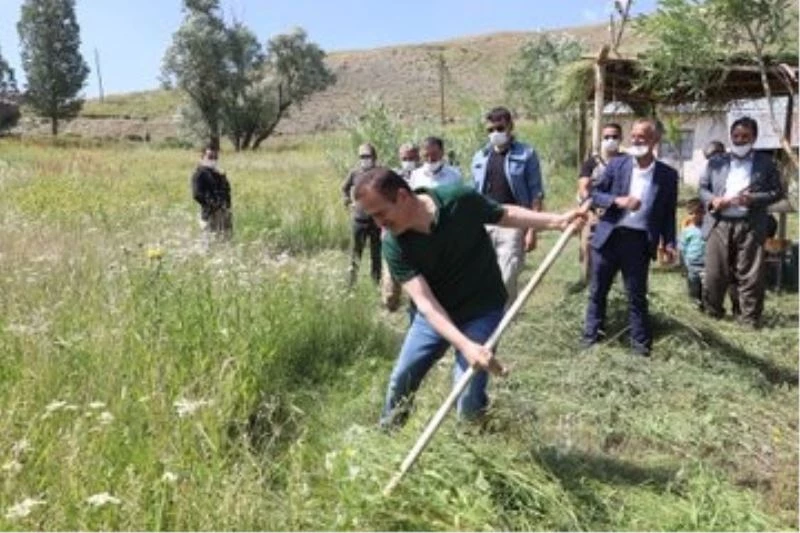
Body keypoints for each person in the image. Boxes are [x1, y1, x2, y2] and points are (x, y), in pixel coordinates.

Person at [352, 168, 583, 428]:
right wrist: (465, 344)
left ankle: (470, 445)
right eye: (372, 217)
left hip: (481, 309)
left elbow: (504, 214)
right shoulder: (394, 245)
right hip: (433, 317)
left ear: (403, 196)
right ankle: (388, 436)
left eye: (380, 213)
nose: (378, 223)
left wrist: (557, 221)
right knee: (401, 379)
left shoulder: (458, 200)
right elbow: (426, 304)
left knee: (468, 391)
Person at [582, 118, 679, 357]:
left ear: (655, 140)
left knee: (636, 296)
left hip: (638, 242)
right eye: (633, 136)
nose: (635, 140)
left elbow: (668, 213)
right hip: (609, 237)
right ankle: (590, 341)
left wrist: (668, 243)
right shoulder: (617, 165)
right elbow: (593, 194)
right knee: (597, 292)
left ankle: (640, 348)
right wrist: (617, 200)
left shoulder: (667, 175)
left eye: (642, 137)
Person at [699, 116, 783, 328]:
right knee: (715, 272)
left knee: (750, 274)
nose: (740, 140)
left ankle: (748, 319)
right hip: (719, 222)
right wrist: (714, 200)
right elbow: (702, 189)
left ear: (754, 138)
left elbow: (776, 191)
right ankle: (712, 313)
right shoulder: (716, 162)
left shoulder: (767, 163)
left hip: (750, 223)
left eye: (745, 136)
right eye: (736, 136)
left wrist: (753, 199)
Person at [472, 106, 544, 304]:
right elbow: (474, 192)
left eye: (500, 128)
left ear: (510, 127)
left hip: (513, 222)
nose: (495, 133)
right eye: (491, 130)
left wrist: (532, 230)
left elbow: (536, 193)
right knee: (482, 275)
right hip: (485, 222)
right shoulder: (480, 157)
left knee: (508, 275)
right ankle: (486, 315)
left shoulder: (526, 154)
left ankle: (504, 319)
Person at [574, 122, 625, 289]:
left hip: (619, 216)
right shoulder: (591, 163)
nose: (610, 140)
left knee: (616, 254)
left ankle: (613, 288)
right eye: (607, 137)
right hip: (593, 214)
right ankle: (588, 286)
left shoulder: (626, 162)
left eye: (614, 137)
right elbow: (583, 187)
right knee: (589, 251)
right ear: (601, 140)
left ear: (621, 139)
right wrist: (594, 206)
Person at [382, 142, 422, 311]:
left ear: (418, 157)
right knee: (390, 286)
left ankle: (416, 309)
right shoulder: (391, 178)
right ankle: (391, 307)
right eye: (405, 158)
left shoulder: (424, 176)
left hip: (417, 235)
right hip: (392, 234)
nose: (408, 161)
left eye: (412, 158)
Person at [341, 143, 382, 287]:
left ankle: (376, 284)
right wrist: (347, 201)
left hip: (377, 220)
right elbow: (344, 188)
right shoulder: (355, 173)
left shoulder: (380, 173)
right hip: (359, 219)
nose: (364, 159)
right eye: (361, 156)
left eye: (367, 156)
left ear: (374, 157)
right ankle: (350, 285)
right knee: (355, 253)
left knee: (376, 254)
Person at [191, 145, 232, 241]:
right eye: (210, 156)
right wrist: (213, 204)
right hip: (209, 213)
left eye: (215, 157)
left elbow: (227, 190)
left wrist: (227, 206)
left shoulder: (218, 173)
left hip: (224, 212)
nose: (213, 159)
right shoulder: (199, 174)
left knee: (225, 239)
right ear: (202, 157)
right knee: (208, 240)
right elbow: (197, 194)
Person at [678, 198, 706, 310]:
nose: (695, 216)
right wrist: (683, 266)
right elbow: (682, 248)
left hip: (706, 264)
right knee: (693, 285)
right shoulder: (687, 231)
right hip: (692, 264)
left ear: (704, 213)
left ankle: (706, 305)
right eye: (691, 213)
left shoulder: (708, 229)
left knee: (707, 287)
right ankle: (695, 304)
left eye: (698, 213)